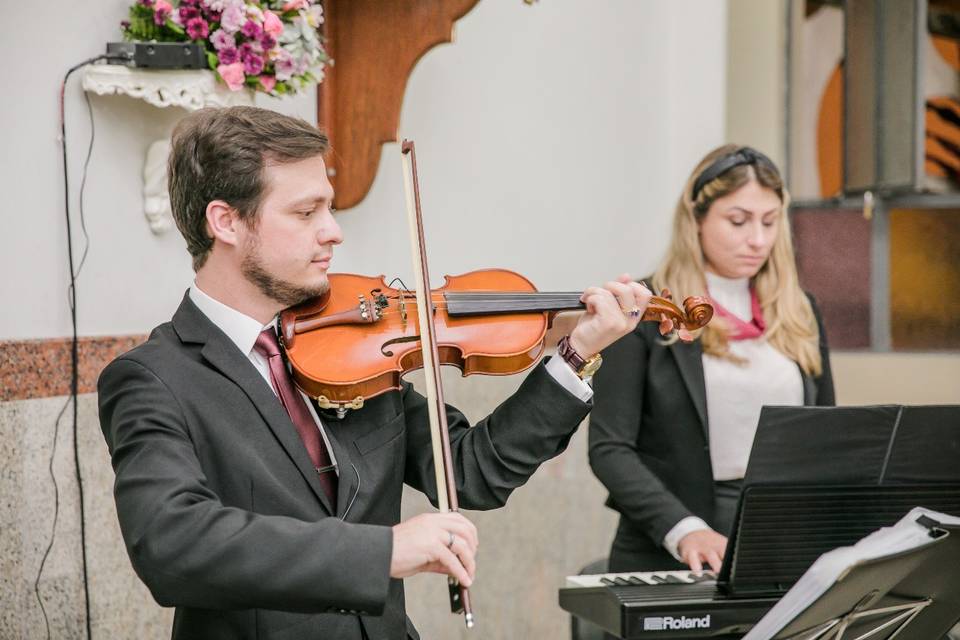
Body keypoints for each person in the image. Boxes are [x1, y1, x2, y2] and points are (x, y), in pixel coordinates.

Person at [97, 105, 652, 640]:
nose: (333, 231)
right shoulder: (153, 378)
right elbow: (173, 544)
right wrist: (385, 551)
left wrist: (577, 351)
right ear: (226, 222)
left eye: (330, 208)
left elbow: (472, 471)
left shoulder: (353, 349)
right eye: (305, 212)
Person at [588, 145, 835, 576]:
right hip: (670, 538)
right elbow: (609, 449)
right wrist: (684, 529)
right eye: (737, 221)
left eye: (770, 221)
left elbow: (828, 436)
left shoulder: (801, 310)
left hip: (778, 534)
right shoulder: (645, 307)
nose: (757, 239)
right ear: (697, 219)